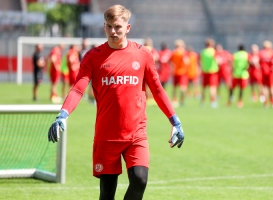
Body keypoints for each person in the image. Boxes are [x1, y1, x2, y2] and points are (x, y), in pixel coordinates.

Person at [47, 5, 184, 200]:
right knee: (107, 194)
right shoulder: (93, 57)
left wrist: (175, 121)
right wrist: (63, 114)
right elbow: (78, 89)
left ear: (127, 28)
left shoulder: (142, 54)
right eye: (109, 26)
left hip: (136, 134)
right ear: (104, 27)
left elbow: (157, 89)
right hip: (106, 135)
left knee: (140, 180)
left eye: (118, 27)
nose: (113, 31)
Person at [199, 38, 219, 108]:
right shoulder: (213, 51)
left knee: (204, 87)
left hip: (205, 71)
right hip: (212, 71)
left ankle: (203, 102)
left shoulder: (203, 52)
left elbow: (200, 61)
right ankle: (212, 101)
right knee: (212, 87)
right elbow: (217, 60)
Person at [228, 44, 249, 108]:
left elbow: (230, 61)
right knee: (241, 89)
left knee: (232, 87)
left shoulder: (235, 54)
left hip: (236, 73)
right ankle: (240, 101)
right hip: (243, 74)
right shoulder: (246, 55)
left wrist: (233, 68)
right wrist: (246, 68)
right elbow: (249, 63)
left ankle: (230, 99)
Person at [170, 39, 189, 107]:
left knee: (175, 88)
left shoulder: (174, 52)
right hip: (182, 72)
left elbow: (170, 61)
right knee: (183, 87)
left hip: (175, 72)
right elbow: (186, 61)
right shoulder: (183, 52)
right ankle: (181, 100)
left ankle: (174, 100)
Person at [144, 37, 159, 106]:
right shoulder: (151, 49)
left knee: (145, 85)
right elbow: (156, 57)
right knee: (151, 85)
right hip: (150, 69)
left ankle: (147, 98)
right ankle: (150, 98)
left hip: (144, 69)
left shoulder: (143, 48)